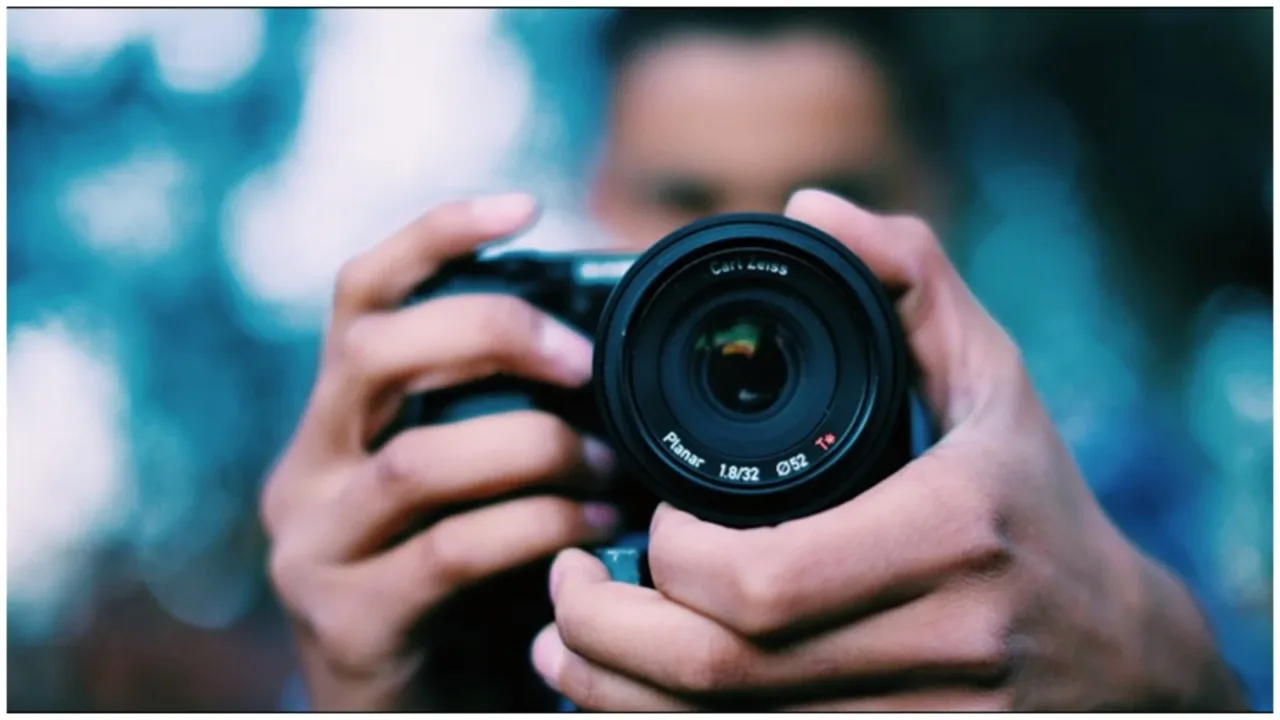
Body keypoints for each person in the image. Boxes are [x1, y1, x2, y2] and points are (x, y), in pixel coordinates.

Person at [259, 9, 1249, 711]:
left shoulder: (1085, 501)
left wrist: (1167, 677)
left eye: (826, 194)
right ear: (595, 199)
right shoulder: (501, 493)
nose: (761, 263)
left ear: (933, 194)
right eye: (689, 201)